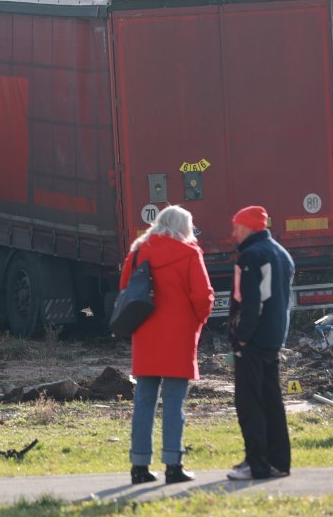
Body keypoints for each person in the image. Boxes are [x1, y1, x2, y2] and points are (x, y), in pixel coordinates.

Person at [120, 205, 214, 485]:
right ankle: (173, 465)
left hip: (146, 335)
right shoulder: (189, 253)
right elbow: (203, 295)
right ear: (183, 226)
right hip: (179, 336)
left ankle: (139, 466)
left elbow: (125, 288)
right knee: (174, 404)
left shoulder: (138, 252)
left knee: (144, 403)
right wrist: (198, 320)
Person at [225, 205, 294, 480]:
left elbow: (250, 304)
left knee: (249, 402)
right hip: (274, 337)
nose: (233, 233)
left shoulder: (250, 257)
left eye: (236, 227)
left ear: (249, 227)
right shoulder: (282, 253)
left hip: (252, 340)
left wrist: (240, 336)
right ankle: (278, 461)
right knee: (272, 402)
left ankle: (256, 463)